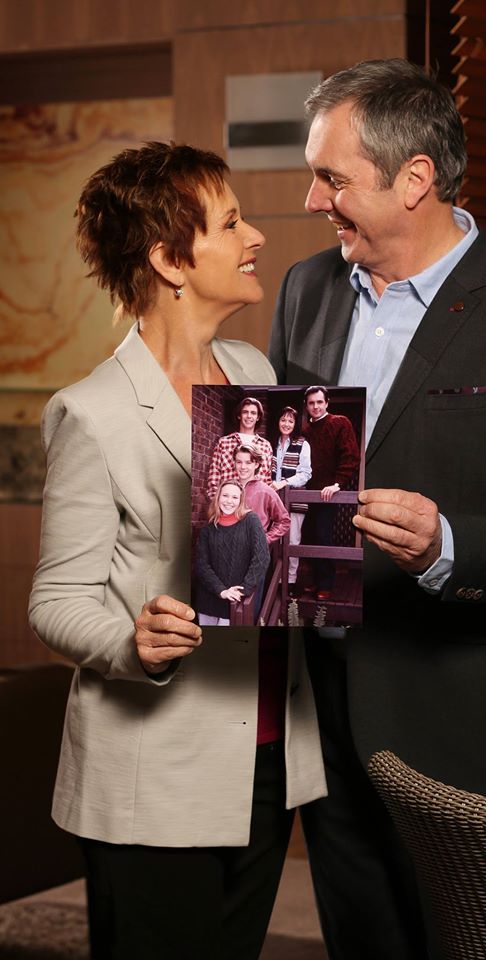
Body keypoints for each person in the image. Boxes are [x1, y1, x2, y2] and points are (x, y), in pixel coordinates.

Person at [269, 59, 486, 960]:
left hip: (467, 730)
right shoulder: (304, 290)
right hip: (326, 719)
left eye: (332, 178)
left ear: (413, 178)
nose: (312, 200)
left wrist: (446, 545)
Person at [28, 141, 325, 960]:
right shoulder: (91, 412)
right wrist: (133, 644)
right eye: (230, 223)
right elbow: (55, 602)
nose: (254, 236)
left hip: (267, 757)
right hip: (151, 773)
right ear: (168, 259)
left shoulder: (251, 370)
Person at [302, 385, 360, 600]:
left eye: (319, 402)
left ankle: (326, 584)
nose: (316, 406)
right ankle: (316, 580)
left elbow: (351, 457)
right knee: (309, 537)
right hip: (306, 493)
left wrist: (337, 484)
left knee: (322, 535)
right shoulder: (305, 430)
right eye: (311, 403)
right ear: (306, 406)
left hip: (328, 493)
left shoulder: (340, 423)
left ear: (327, 403)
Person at [195, 481, 269, 626]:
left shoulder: (251, 521)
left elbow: (262, 558)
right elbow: (201, 565)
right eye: (225, 496)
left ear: (241, 500)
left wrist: (243, 589)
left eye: (235, 497)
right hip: (207, 600)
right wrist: (221, 590)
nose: (229, 501)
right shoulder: (208, 529)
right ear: (218, 497)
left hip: (234, 602)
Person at [270, 405, 312, 589]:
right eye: (283, 419)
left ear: (295, 424)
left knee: (292, 540)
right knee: (275, 540)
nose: (286, 424)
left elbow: (306, 473)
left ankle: (291, 581)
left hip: (294, 499)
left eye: (290, 421)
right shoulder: (271, 444)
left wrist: (284, 482)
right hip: (273, 500)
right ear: (278, 421)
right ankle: (276, 581)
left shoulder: (303, 444)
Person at [207, 395, 273, 499]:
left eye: (253, 413)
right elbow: (213, 478)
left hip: (255, 502)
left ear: (258, 417)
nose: (249, 416)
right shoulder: (224, 443)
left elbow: (266, 480)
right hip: (228, 503)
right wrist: (217, 503)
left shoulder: (265, 446)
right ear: (239, 415)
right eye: (245, 412)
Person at [234, 443, 291, 546]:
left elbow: (284, 521)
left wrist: (265, 539)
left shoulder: (266, 491)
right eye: (239, 462)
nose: (243, 467)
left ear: (256, 464)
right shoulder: (228, 488)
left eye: (248, 462)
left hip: (253, 549)